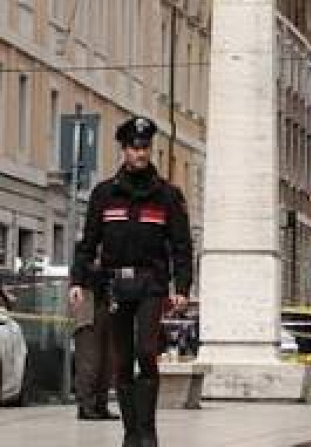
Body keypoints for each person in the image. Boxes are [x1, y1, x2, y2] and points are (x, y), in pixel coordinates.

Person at [69, 116, 192, 447]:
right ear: (124, 150)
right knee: (122, 360)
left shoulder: (167, 196)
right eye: (135, 147)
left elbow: (182, 246)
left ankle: (148, 432)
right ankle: (130, 433)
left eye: (145, 147)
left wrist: (182, 288)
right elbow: (88, 241)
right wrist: (77, 281)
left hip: (151, 285)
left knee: (145, 351)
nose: (141, 153)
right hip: (115, 287)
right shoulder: (104, 194)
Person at [71, 249, 118, 421]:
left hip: (106, 304)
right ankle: (86, 406)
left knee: (107, 361)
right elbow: (82, 273)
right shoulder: (84, 252)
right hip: (88, 306)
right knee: (89, 360)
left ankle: (100, 405)